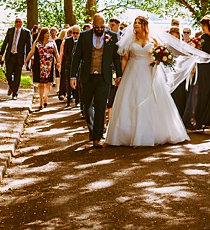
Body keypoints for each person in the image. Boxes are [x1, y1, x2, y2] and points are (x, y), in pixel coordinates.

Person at [105, 16, 195, 147]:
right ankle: (129, 134)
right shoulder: (130, 40)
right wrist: (121, 75)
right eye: (135, 23)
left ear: (144, 25)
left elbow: (156, 55)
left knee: (153, 99)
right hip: (133, 71)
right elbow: (124, 59)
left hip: (149, 72)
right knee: (131, 100)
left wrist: (159, 60)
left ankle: (156, 132)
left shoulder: (153, 40)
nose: (136, 25)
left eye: (139, 23)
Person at [69, 14, 123, 149]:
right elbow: (76, 57)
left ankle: (97, 137)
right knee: (87, 106)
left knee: (100, 107)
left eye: (102, 27)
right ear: (93, 25)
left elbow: (116, 58)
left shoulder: (113, 36)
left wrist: (119, 75)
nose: (99, 29)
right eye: (97, 27)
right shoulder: (84, 36)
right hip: (87, 77)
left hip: (104, 77)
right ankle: (92, 130)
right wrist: (72, 76)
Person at [0, 17, 32, 100]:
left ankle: (15, 93)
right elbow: (5, 42)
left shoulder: (26, 32)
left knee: (17, 75)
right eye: (16, 21)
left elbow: (28, 46)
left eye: (19, 22)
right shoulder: (10, 30)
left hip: (19, 57)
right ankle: (11, 86)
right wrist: (1, 54)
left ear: (22, 23)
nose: (18, 23)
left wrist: (29, 58)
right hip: (10, 56)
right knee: (8, 74)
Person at [25, 28, 58, 111]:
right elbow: (31, 52)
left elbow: (56, 53)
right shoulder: (36, 43)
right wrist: (26, 60)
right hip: (39, 65)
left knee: (48, 84)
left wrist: (58, 62)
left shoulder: (52, 42)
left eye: (49, 33)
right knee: (40, 84)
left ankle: (45, 98)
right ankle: (40, 102)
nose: (48, 35)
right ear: (43, 34)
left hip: (49, 66)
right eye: (47, 33)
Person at [60, 25, 80, 107]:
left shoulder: (81, 40)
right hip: (69, 64)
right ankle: (68, 99)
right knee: (68, 83)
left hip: (78, 66)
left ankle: (77, 100)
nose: (75, 34)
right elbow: (65, 53)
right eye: (73, 33)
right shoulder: (67, 40)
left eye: (77, 33)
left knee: (78, 83)